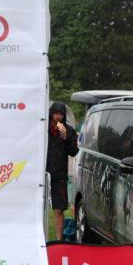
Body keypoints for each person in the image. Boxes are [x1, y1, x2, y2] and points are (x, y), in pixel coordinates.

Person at [47, 101, 78, 241]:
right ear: (51, 114)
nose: (58, 117)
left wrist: (65, 137)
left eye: (61, 114)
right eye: (55, 114)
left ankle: (59, 240)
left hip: (59, 175)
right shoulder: (43, 128)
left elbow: (73, 152)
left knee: (59, 209)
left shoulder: (69, 130)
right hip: (43, 174)